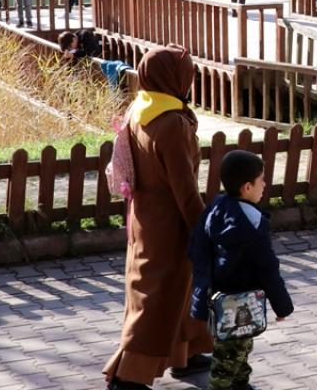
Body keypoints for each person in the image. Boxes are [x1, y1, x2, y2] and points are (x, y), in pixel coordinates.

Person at [103, 45, 214, 389]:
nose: (190, 80)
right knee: (155, 298)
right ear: (175, 78)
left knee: (178, 287)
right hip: (170, 222)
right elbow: (185, 189)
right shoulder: (172, 123)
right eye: (187, 74)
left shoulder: (142, 107)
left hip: (144, 215)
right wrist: (205, 231)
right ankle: (127, 375)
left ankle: (187, 352)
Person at [188, 150, 294, 390]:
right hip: (243, 301)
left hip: (219, 298)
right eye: (261, 180)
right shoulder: (253, 223)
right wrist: (282, 306)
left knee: (238, 347)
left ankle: (240, 385)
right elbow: (268, 268)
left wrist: (204, 287)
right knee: (228, 358)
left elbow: (196, 248)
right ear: (247, 187)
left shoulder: (216, 208)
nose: (265, 185)